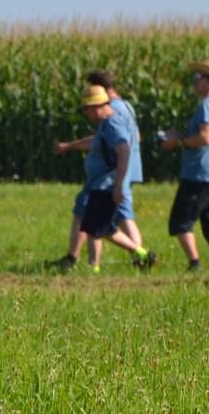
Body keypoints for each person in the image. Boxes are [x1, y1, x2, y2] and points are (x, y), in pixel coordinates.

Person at [51, 69, 147, 269]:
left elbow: (123, 147)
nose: (86, 113)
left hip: (109, 180)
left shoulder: (113, 115)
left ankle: (140, 254)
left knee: (100, 223)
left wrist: (118, 183)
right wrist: (71, 146)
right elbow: (130, 137)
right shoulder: (123, 108)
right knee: (110, 220)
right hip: (112, 178)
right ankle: (99, 265)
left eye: (88, 108)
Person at [161, 59, 209, 270]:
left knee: (180, 222)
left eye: (198, 77)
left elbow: (205, 137)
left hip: (200, 173)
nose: (194, 81)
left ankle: (194, 263)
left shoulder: (208, 104)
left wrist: (178, 141)